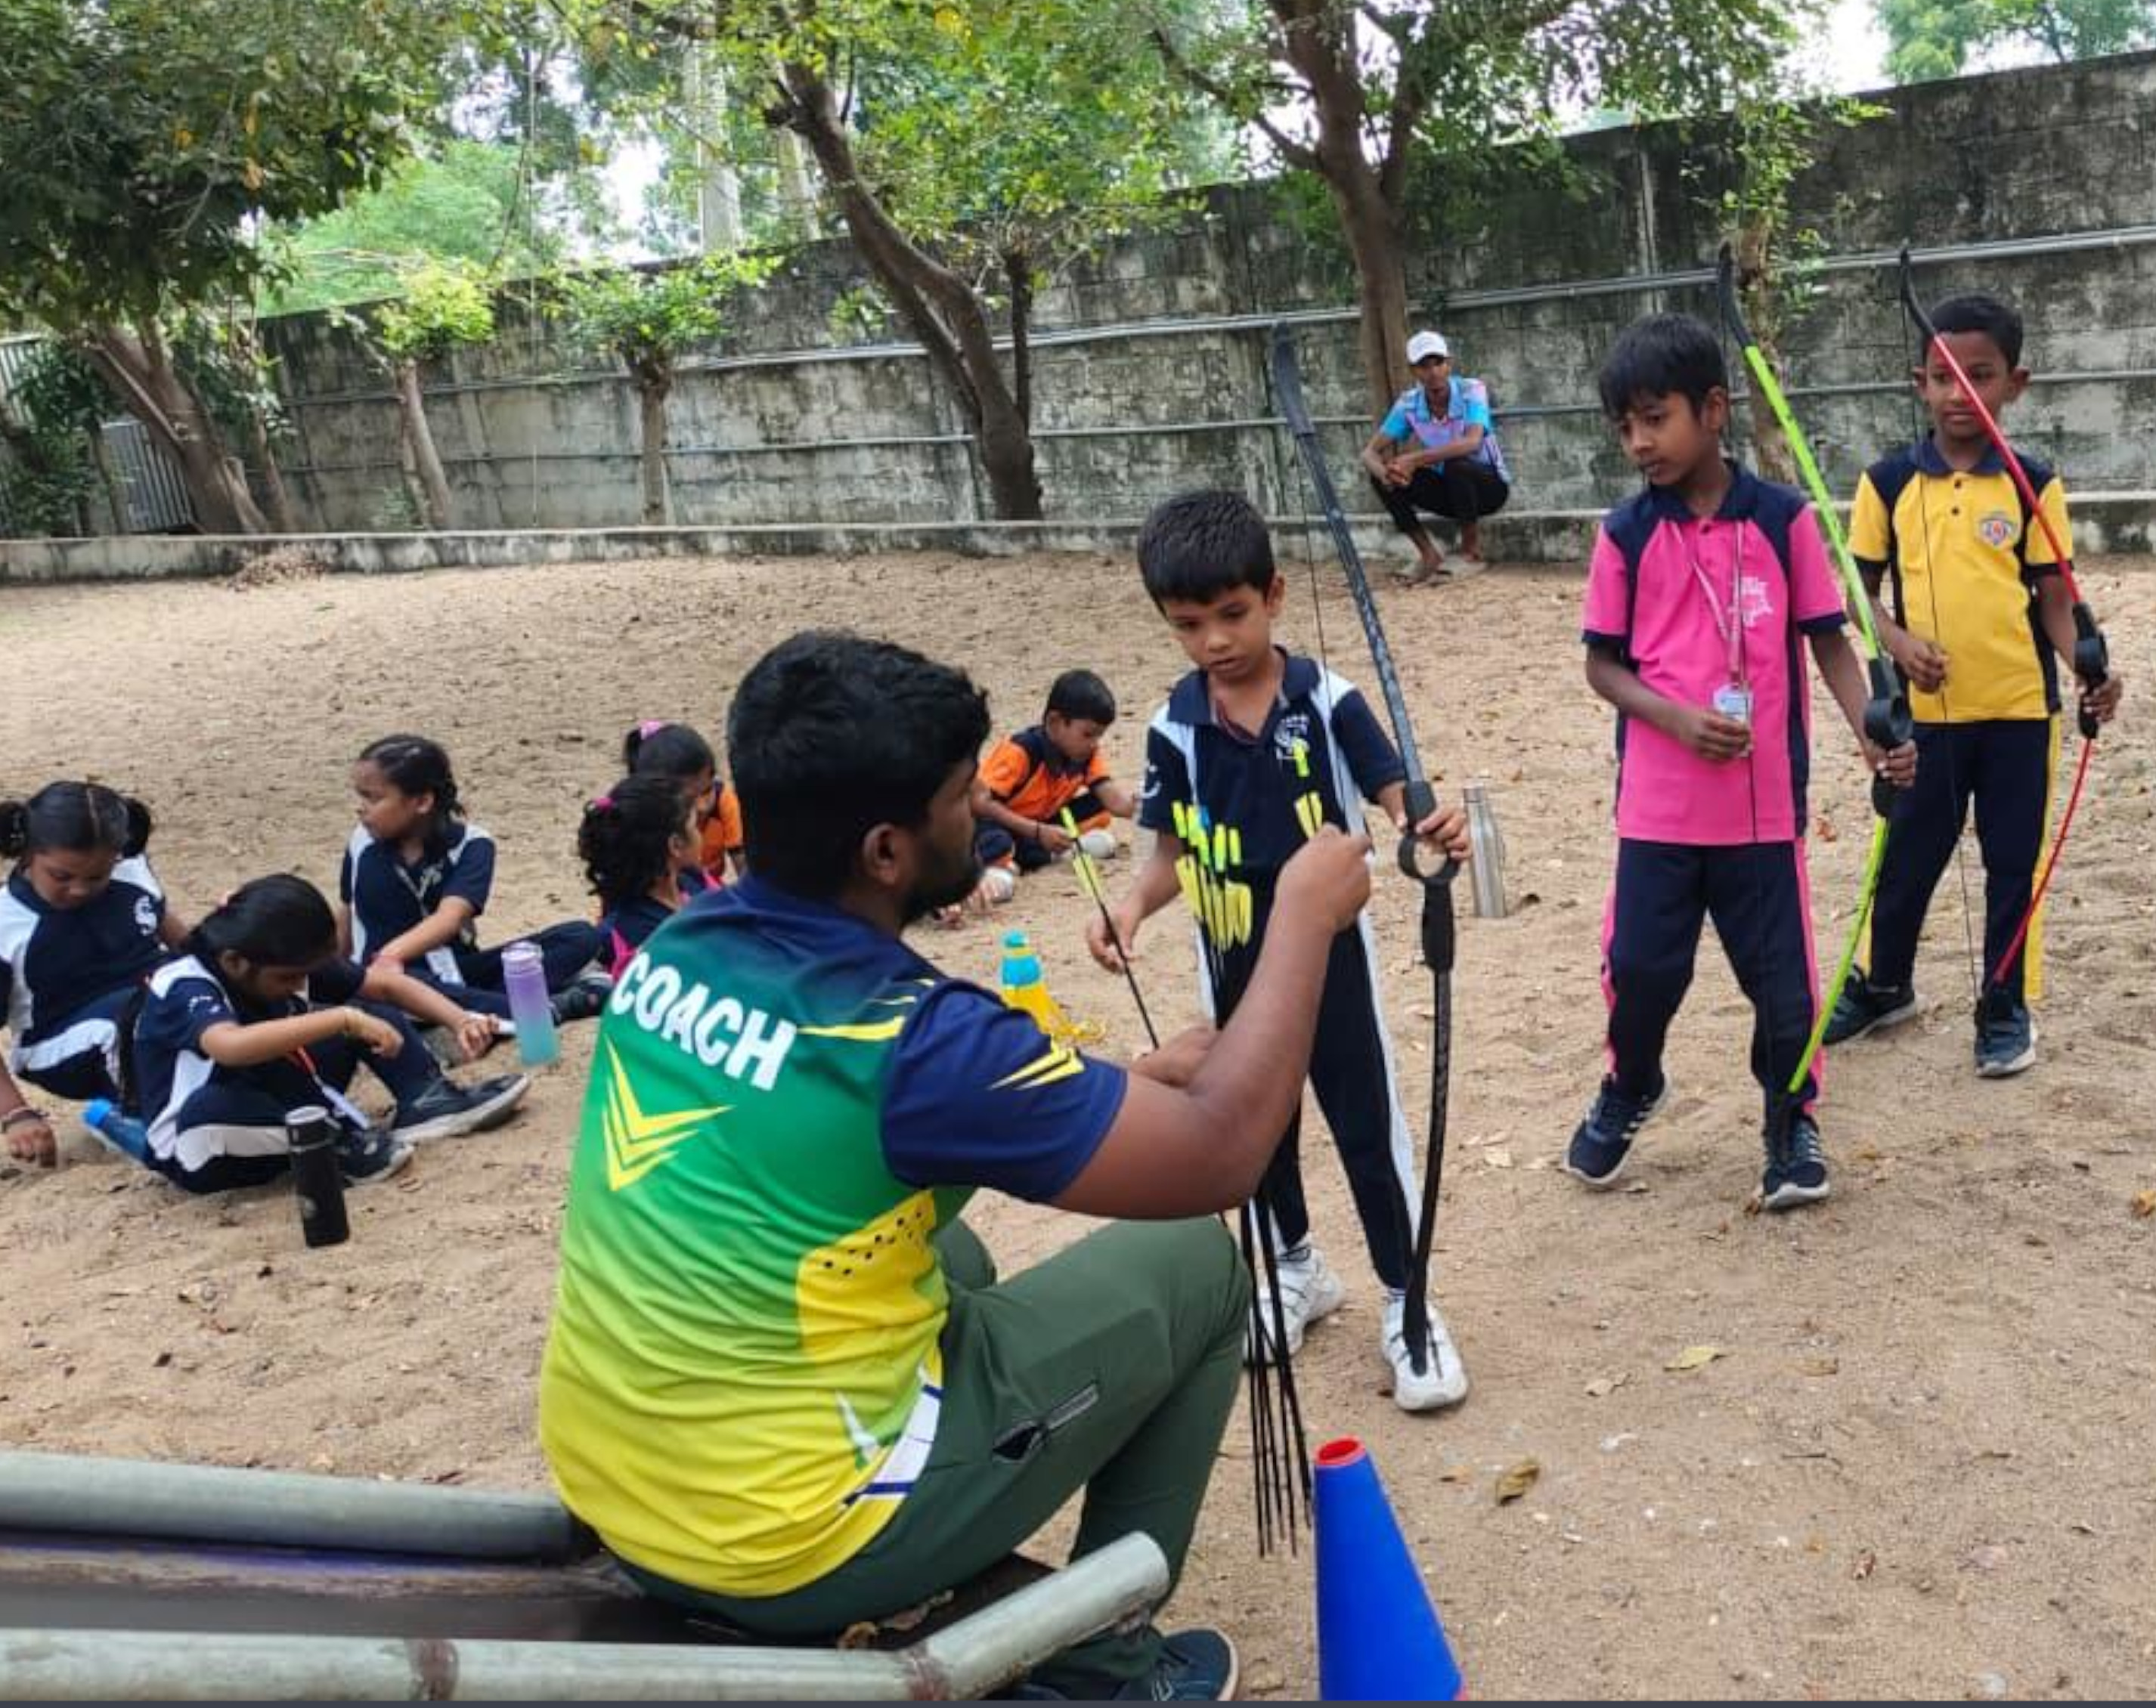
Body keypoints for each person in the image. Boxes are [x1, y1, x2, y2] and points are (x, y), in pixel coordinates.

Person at [538, 630, 1378, 1700]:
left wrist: (1131, 1078)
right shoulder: (913, 1040)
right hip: (782, 1545)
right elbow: (1225, 1154)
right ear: (886, 852)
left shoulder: (678, 947)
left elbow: (899, 1116)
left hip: (618, 1480)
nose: (977, 811)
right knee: (1197, 1267)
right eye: (956, 798)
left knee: (954, 1248)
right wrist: (1302, 916)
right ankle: (1111, 1665)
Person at [1083, 490, 1476, 1413]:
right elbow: (1172, 853)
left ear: (1274, 595)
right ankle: (1296, 1268)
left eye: (1232, 614)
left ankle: (1406, 1300)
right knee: (1254, 1130)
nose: (1215, 641)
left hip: (1333, 959)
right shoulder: (1172, 725)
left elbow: (1394, 797)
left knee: (1364, 1123)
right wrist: (1132, 907)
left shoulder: (1327, 699)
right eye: (1189, 625)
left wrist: (1426, 822)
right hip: (1231, 962)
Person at [1559, 313, 1916, 1211]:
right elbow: (1602, 665)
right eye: (1625, 426)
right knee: (1642, 971)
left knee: (1784, 988)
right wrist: (1674, 720)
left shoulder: (1782, 521)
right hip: (1656, 810)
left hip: (1760, 815)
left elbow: (1828, 641)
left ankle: (1787, 1118)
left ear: (1713, 410)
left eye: (1656, 417)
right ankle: (1631, 1081)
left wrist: (1865, 730)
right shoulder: (1624, 536)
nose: (1640, 442)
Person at [1816, 292, 2124, 1078]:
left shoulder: (2031, 483)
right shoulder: (1886, 483)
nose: (1959, 395)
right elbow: (1859, 592)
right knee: (1908, 856)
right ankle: (1886, 984)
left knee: (2010, 864)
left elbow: (2054, 600)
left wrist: (2087, 671)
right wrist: (1895, 640)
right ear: (1916, 382)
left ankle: (2002, 1002)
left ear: (2012, 384)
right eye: (1941, 377)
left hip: (2020, 712)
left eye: (1978, 376)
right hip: (1926, 718)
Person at [119, 873, 528, 1192]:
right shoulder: (184, 982)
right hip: (203, 1145)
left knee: (364, 1005)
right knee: (213, 1105)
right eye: (289, 979)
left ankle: (424, 1097)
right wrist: (340, 1019)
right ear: (236, 963)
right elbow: (228, 1046)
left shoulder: (282, 962)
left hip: (277, 1102)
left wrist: (459, 1019)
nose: (299, 986)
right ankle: (339, 1143)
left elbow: (384, 985)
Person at [342, 734, 607, 1024]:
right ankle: (542, 1009)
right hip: (387, 982)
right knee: (403, 986)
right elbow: (347, 910)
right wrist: (334, 974)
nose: (361, 807)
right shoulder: (361, 842)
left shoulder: (473, 843)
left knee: (580, 935)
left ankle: (502, 1006)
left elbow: (450, 918)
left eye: (373, 798)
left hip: (456, 969)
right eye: (361, 796)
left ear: (422, 802)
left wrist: (391, 954)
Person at [2, 782, 187, 1167]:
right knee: (127, 1021)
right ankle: (142, 1119)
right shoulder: (8, 925)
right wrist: (17, 1113)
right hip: (58, 1038)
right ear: (28, 854)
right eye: (62, 876)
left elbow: (170, 932)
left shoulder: (131, 872)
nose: (80, 889)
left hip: (151, 1000)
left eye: (97, 876)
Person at [1358, 330, 1511, 586]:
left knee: (1457, 463)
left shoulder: (1472, 390)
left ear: (1448, 364)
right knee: (1382, 477)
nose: (1433, 372)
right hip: (1450, 491)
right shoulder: (1408, 404)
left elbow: (1472, 442)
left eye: (1438, 363)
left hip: (1489, 489)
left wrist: (1415, 459)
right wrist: (1387, 474)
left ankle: (1471, 551)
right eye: (1424, 366)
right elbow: (1368, 452)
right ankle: (1429, 555)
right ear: (1413, 371)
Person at [971, 669, 1137, 886]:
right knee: (998, 843)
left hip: (1042, 826)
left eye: (1099, 736)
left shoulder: (1086, 754)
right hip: (997, 823)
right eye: (1088, 734)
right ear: (1055, 722)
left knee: (1100, 809)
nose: (1094, 743)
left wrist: (1144, 804)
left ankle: (1040, 854)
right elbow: (980, 803)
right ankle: (1018, 861)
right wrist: (1037, 831)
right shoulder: (1021, 751)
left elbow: (1115, 802)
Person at [578, 775, 704, 978]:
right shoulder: (635, 936)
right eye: (695, 826)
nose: (700, 835)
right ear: (676, 845)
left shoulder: (692, 882)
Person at [622, 719, 744, 890]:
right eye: (690, 800)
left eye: (707, 791)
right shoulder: (641, 831)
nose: (702, 806)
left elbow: (745, 870)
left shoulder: (724, 801)